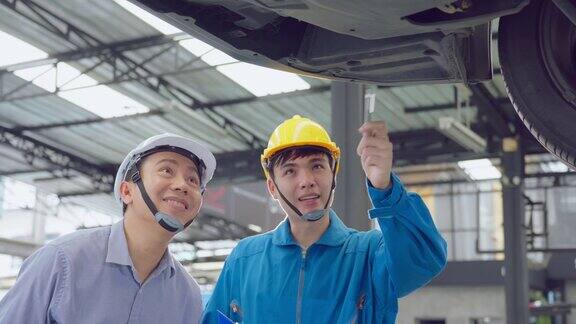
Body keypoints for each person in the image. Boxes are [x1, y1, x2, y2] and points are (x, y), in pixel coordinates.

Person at [202, 115, 447, 323]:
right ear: (272, 188)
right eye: (290, 171)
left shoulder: (369, 255)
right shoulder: (245, 259)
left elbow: (424, 259)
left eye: (317, 166)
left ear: (333, 176)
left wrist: (384, 189)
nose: (306, 180)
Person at [0, 133, 216, 324]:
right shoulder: (62, 260)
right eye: (167, 170)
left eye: (192, 180)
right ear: (127, 191)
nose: (182, 185)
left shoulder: (187, 295)